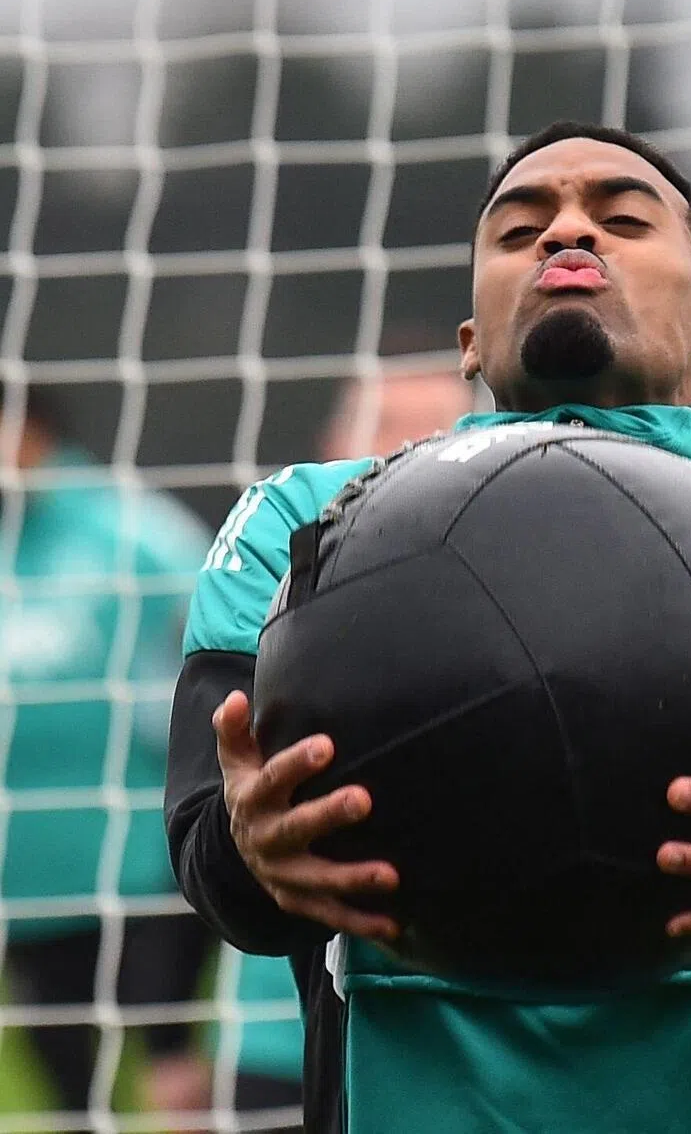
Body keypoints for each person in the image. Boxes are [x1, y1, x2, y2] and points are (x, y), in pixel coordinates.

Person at [165, 120, 691, 1134]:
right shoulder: (305, 530)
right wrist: (251, 854)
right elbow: (216, 860)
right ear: (470, 341)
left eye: (621, 217)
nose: (566, 233)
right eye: (519, 231)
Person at [224, 367, 475, 1133]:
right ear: (333, 445)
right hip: (280, 1030)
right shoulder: (273, 584)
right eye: (385, 423)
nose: (410, 447)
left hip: (462, 1015)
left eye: (439, 428)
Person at [0, 385, 213, 1128]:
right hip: (28, 874)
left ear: (31, 429)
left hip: (138, 862)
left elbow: (209, 648)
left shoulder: (131, 532)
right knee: (64, 1079)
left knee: (169, 1062)